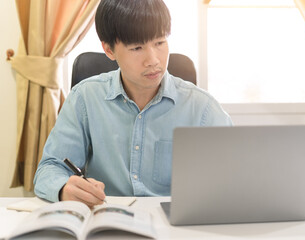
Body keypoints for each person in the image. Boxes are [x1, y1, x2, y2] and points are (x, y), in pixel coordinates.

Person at [34, 0, 232, 207]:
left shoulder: (202, 107)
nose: (153, 60)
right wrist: (65, 188)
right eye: (137, 47)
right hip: (108, 220)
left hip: (174, 226)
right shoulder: (84, 98)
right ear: (109, 50)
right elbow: (50, 168)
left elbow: (236, 172)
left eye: (160, 42)